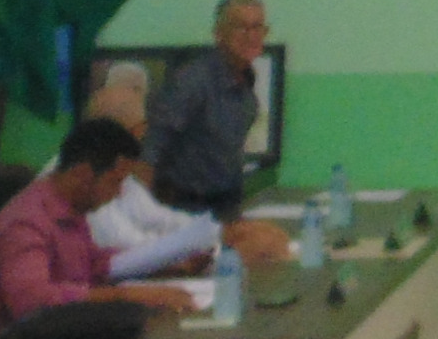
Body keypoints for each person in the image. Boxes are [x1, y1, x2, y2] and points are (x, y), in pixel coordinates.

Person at [0, 118, 193, 339]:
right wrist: (125, 296)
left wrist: (170, 264)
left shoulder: (69, 210)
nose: (119, 193)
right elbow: (32, 302)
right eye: (115, 182)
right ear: (83, 175)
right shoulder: (25, 223)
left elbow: (93, 264)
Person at [81, 63, 289, 279]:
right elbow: (133, 251)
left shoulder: (122, 174)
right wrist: (221, 251)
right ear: (136, 132)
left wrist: (226, 230)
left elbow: (162, 219)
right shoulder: (89, 181)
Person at [144, 0, 272, 213]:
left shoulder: (246, 85)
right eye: (241, 27)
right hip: (185, 210)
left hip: (226, 205)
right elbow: (153, 147)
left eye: (257, 27)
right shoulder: (193, 81)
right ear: (218, 33)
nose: (251, 36)